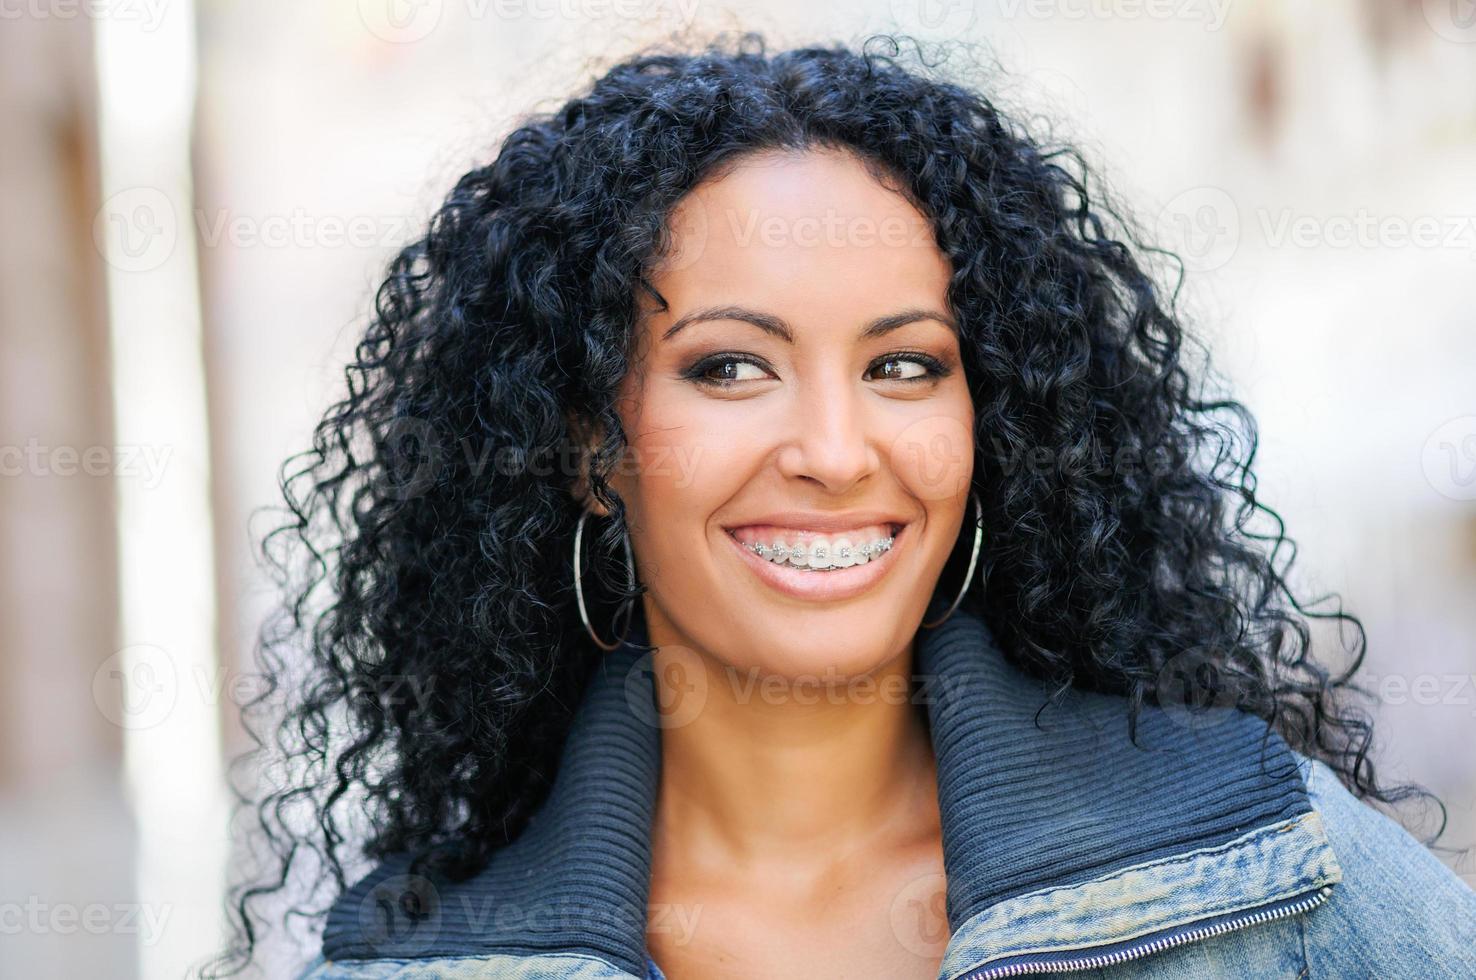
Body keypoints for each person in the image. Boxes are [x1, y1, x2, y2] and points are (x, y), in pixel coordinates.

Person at [202, 33, 1476, 980]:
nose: (832, 448)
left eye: (904, 365)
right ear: (591, 444)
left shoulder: (1274, 876)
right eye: (730, 367)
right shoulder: (415, 967)